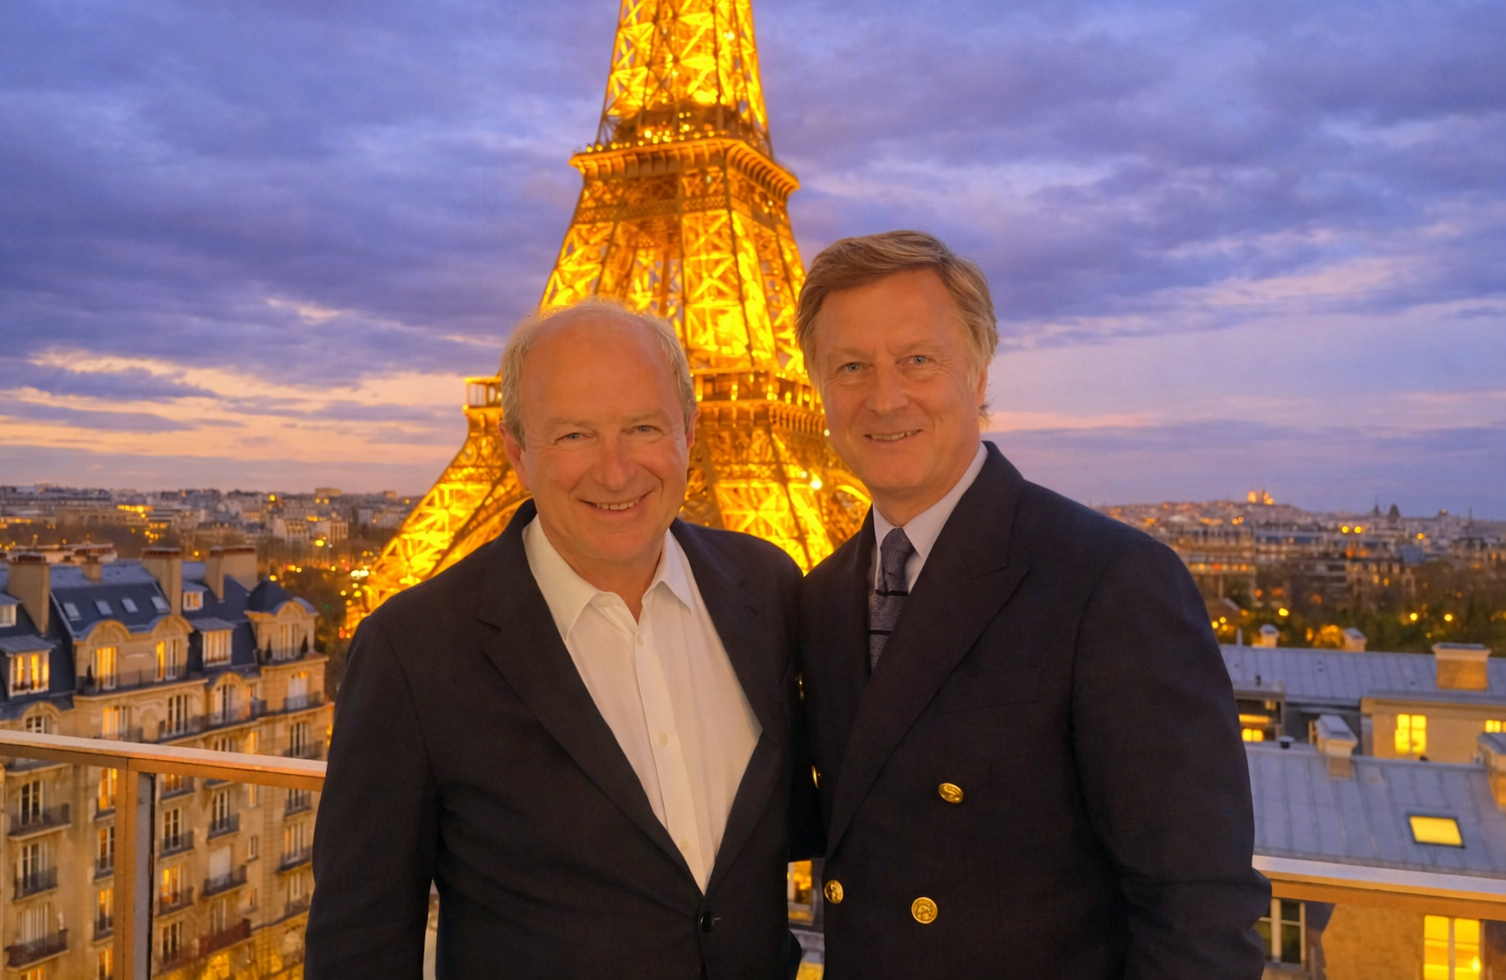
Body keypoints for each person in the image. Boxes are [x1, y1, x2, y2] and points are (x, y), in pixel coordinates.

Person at [794, 230, 1269, 978]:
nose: (884, 397)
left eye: (918, 359)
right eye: (851, 367)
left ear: (979, 373)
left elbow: (1197, 907)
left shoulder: (1111, 582)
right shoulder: (822, 598)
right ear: (819, 387)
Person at [307, 300, 811, 980]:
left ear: (690, 431)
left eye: (643, 427)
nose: (615, 470)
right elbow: (359, 944)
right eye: (573, 435)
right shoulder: (414, 651)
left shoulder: (765, 586)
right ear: (515, 450)